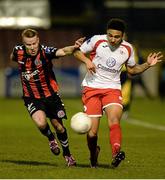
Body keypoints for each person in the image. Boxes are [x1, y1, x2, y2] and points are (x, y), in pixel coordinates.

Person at [73, 18, 163, 168]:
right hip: (92, 88)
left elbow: (132, 70)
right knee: (92, 133)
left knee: (114, 120)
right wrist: (87, 61)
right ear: (106, 33)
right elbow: (76, 52)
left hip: (112, 89)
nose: (113, 39)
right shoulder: (96, 40)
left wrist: (147, 64)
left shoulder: (128, 48)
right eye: (110, 35)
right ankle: (93, 154)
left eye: (117, 37)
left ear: (123, 36)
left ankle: (116, 153)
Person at [10, 28, 84, 167]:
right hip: (31, 97)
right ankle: (51, 138)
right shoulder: (17, 51)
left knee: (59, 127)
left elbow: (62, 51)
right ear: (23, 43)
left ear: (38, 40)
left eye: (34, 43)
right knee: (41, 123)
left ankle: (67, 154)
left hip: (51, 96)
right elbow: (13, 57)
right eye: (28, 44)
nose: (32, 47)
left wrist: (74, 47)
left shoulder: (45, 51)